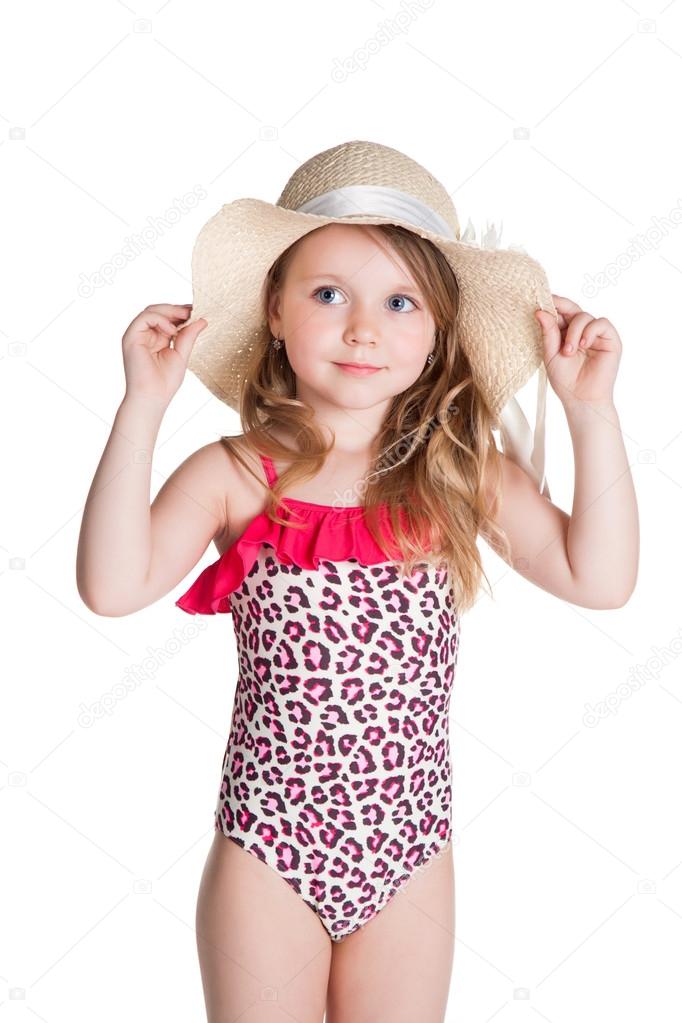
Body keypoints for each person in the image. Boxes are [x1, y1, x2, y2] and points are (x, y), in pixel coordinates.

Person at [76, 139, 639, 1023]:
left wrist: (591, 412)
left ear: (438, 330)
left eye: (399, 300)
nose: (362, 327)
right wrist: (141, 404)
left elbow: (599, 578)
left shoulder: (459, 472)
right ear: (274, 309)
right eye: (329, 293)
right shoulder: (237, 472)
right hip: (269, 847)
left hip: (409, 851)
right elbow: (111, 585)